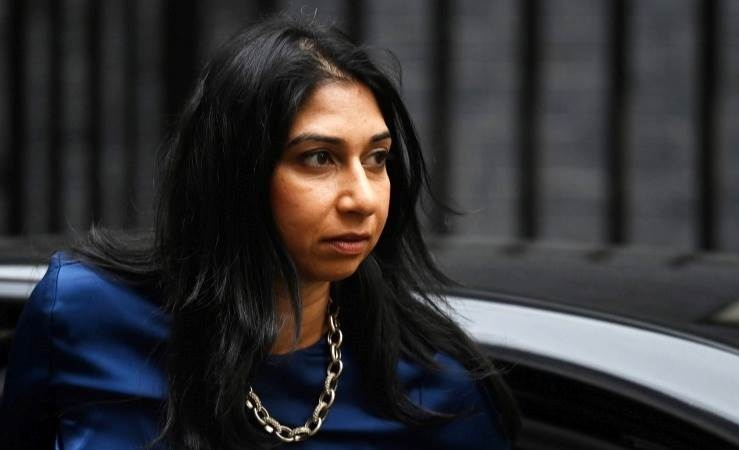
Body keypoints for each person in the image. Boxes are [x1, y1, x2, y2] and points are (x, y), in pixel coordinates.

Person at [1, 15, 519, 449]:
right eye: (319, 158)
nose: (362, 198)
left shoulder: (435, 390)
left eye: (377, 158)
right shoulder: (81, 313)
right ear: (234, 172)